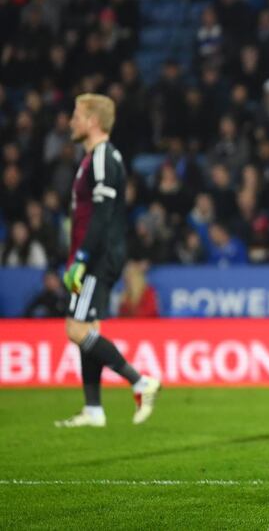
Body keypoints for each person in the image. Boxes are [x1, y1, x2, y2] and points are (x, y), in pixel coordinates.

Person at [56, 94, 161, 428]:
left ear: (92, 121)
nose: (71, 121)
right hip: (94, 254)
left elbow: (101, 215)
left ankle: (140, 382)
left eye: (76, 115)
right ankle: (94, 409)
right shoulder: (94, 158)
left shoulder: (102, 156)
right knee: (89, 328)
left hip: (98, 256)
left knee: (76, 329)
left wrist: (82, 258)